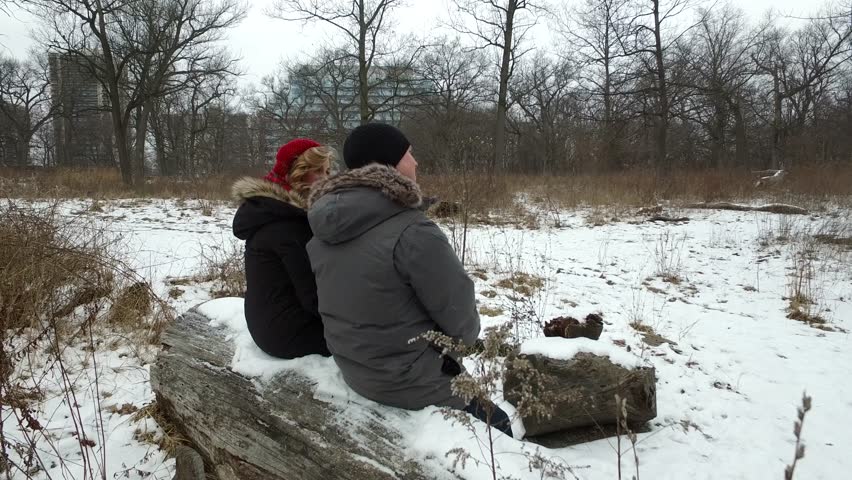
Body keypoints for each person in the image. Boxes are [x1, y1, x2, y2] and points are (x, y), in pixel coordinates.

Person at [306, 123, 512, 437]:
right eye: (409, 154)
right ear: (388, 163)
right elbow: (460, 317)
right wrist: (457, 352)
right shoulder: (412, 230)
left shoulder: (322, 228)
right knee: (499, 426)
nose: (415, 162)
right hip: (408, 382)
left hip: (355, 369)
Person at [231, 138, 333, 359]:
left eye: (327, 171)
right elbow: (315, 299)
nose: (327, 179)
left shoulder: (275, 211)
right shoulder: (288, 226)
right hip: (288, 333)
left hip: (269, 323)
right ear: (298, 174)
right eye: (320, 172)